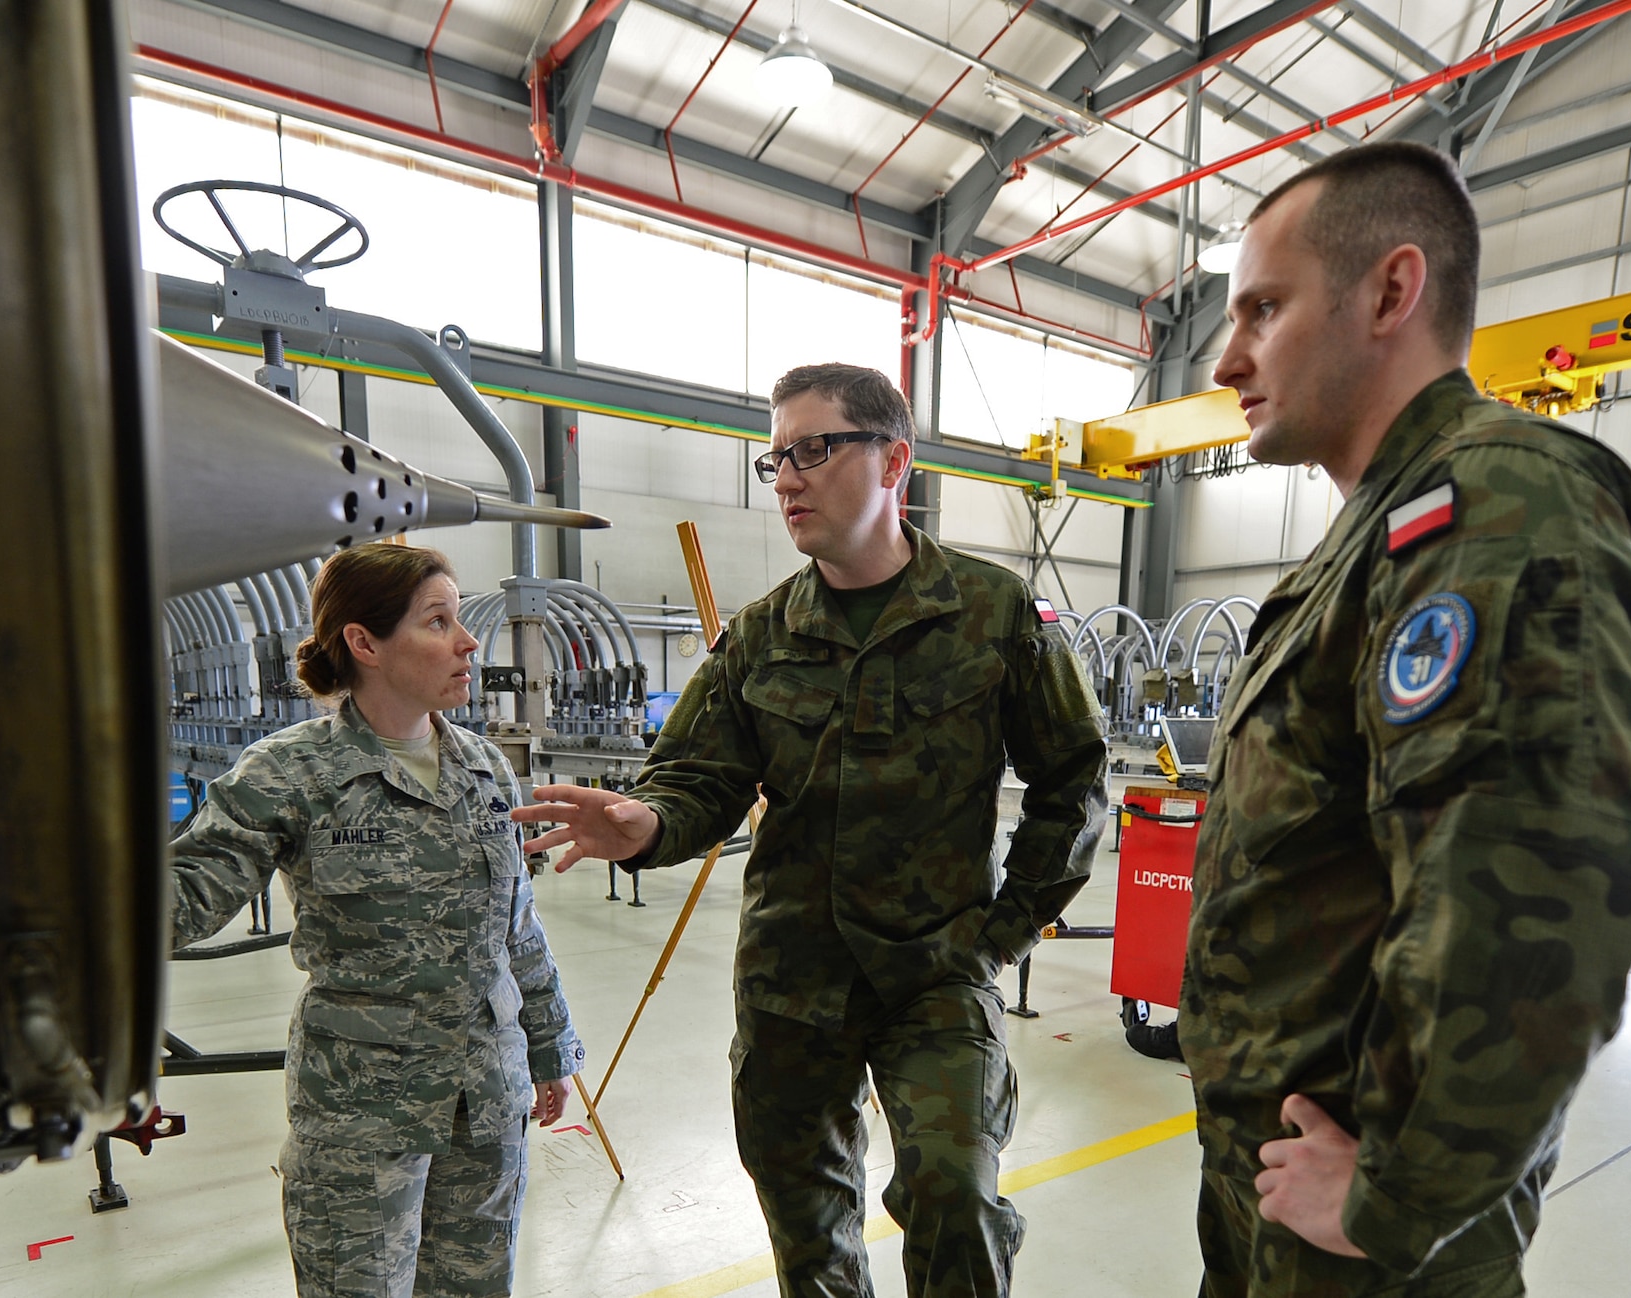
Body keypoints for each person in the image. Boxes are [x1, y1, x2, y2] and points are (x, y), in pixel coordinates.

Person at [513, 363, 1109, 1297]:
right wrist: (645, 821)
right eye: (777, 457)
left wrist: (1006, 930)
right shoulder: (759, 637)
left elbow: (1073, 780)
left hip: (934, 973)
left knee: (957, 1194)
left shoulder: (995, 616)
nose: (787, 477)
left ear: (893, 463)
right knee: (808, 1229)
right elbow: (695, 781)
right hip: (793, 982)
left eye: (814, 450)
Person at [1183, 140, 1631, 1297]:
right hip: (1273, 1184)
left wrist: (1399, 1197)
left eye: (1262, 308)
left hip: (1369, 1248)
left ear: (1390, 291)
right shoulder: (1374, 534)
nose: (1225, 355)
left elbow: (1538, 893)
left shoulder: (1494, 504)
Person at [168, 543, 584, 1298]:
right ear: (364, 643)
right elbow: (187, 893)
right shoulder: (289, 773)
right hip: (362, 1117)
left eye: (461, 619)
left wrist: (550, 1047)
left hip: (485, 1102)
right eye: (438, 622)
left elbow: (516, 926)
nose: (468, 642)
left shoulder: (484, 766)